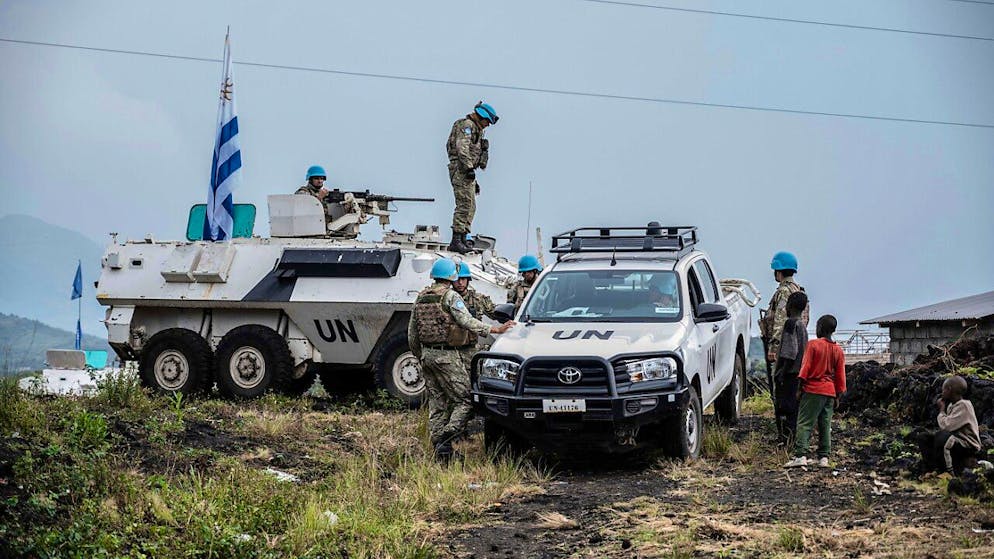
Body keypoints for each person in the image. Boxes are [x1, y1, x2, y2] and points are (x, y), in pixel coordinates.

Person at [408, 258, 515, 462]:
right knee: (466, 398)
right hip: (446, 356)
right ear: (451, 276)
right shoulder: (450, 296)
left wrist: (420, 355)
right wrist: (494, 329)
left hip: (426, 356)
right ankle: (446, 438)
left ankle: (441, 453)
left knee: (437, 403)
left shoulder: (421, 297)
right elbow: (466, 320)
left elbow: (412, 333)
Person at [785, 314, 846, 468]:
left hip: (813, 389)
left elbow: (805, 368)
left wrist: (799, 388)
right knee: (825, 424)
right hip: (830, 392)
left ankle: (801, 455)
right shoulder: (838, 350)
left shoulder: (813, 345)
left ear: (820, 328)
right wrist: (838, 395)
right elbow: (840, 376)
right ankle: (824, 457)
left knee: (805, 423)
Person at [446, 101, 498, 254]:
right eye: (487, 121)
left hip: (466, 171)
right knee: (464, 204)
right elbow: (462, 148)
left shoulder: (477, 130)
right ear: (481, 117)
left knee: (470, 206)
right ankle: (456, 240)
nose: (487, 125)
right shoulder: (467, 126)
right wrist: (469, 168)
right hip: (461, 169)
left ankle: (463, 237)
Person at [918, 376, 981, 474]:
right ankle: (932, 467)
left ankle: (949, 472)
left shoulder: (964, 405)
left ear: (949, 389)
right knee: (923, 437)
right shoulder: (952, 405)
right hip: (955, 440)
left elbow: (947, 427)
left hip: (967, 445)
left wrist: (941, 410)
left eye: (943, 389)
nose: (942, 392)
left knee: (942, 436)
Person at [759, 251, 810, 364]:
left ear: (778, 271)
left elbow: (780, 320)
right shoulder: (798, 290)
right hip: (797, 343)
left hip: (784, 347)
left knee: (779, 374)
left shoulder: (784, 291)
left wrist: (774, 347)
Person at [774, 291, 809, 445]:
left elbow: (790, 352)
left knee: (784, 408)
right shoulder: (802, 326)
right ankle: (793, 439)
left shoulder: (790, 324)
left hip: (789, 374)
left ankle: (786, 440)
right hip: (799, 374)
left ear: (790, 306)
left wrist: (781, 372)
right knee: (794, 409)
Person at [453, 260, 500, 366]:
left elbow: (496, 313)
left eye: (463, 279)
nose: (460, 283)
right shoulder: (446, 299)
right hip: (450, 350)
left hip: (470, 349)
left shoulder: (478, 299)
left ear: (468, 280)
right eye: (457, 279)